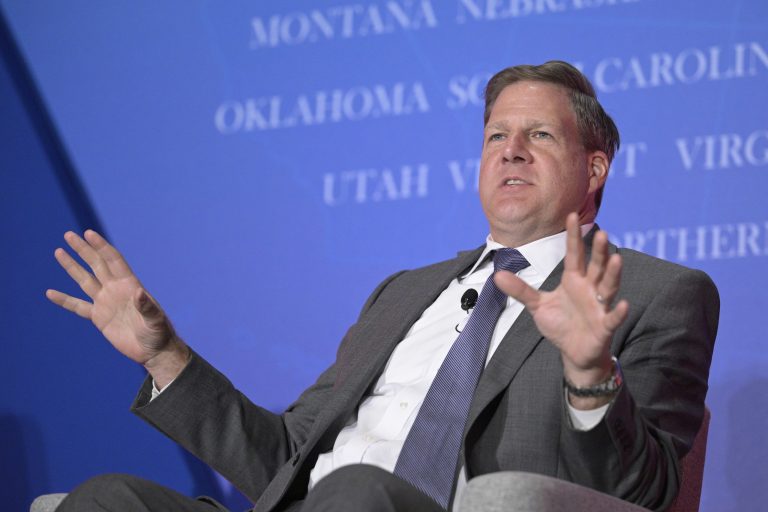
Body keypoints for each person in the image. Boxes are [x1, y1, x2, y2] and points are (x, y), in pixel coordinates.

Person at [46, 61, 719, 512]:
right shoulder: (404, 292)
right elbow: (283, 458)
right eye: (495, 136)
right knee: (109, 499)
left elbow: (650, 493)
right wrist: (165, 357)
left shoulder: (659, 292)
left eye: (538, 134)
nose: (510, 150)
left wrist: (589, 372)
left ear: (595, 166)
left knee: (359, 491)